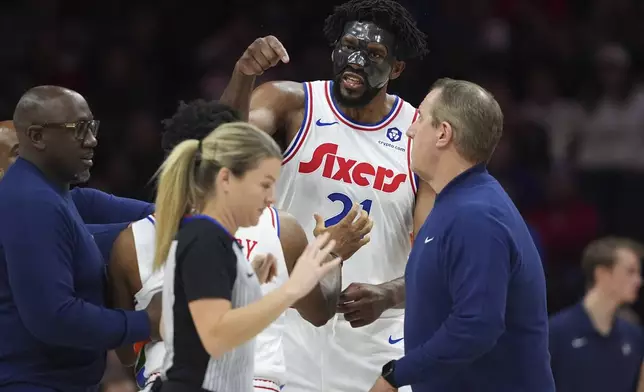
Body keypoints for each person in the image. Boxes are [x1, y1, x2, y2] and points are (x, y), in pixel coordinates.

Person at [220, 1, 435, 390]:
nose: (357, 60)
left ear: (397, 69)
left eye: (374, 55)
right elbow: (224, 149)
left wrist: (388, 295)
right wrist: (243, 76)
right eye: (349, 46)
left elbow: (435, 256)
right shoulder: (290, 104)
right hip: (284, 322)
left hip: (374, 335)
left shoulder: (418, 134)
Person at [104, 100, 372, 391]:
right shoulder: (279, 229)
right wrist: (330, 254)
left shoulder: (131, 242)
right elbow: (319, 312)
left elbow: (126, 352)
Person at [369, 78, 555, 392]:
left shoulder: (476, 215)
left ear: (443, 132)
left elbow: (477, 325)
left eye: (421, 119)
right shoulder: (456, 204)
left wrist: (394, 376)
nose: (410, 130)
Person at [151, 122, 342, 392]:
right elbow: (215, 338)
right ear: (226, 179)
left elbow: (175, 323)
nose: (271, 199)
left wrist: (247, 284)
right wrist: (291, 290)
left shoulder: (214, 238)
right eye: (264, 185)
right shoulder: (204, 239)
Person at [0, 86, 159, 391]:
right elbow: (54, 317)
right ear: (36, 137)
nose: (92, 140)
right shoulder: (31, 203)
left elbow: (160, 218)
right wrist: (147, 323)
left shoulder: (63, 197)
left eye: (92, 126)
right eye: (79, 129)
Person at [549, 237, 644, 392]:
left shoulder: (634, 336)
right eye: (631, 271)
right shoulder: (557, 333)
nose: (639, 280)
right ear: (602, 274)